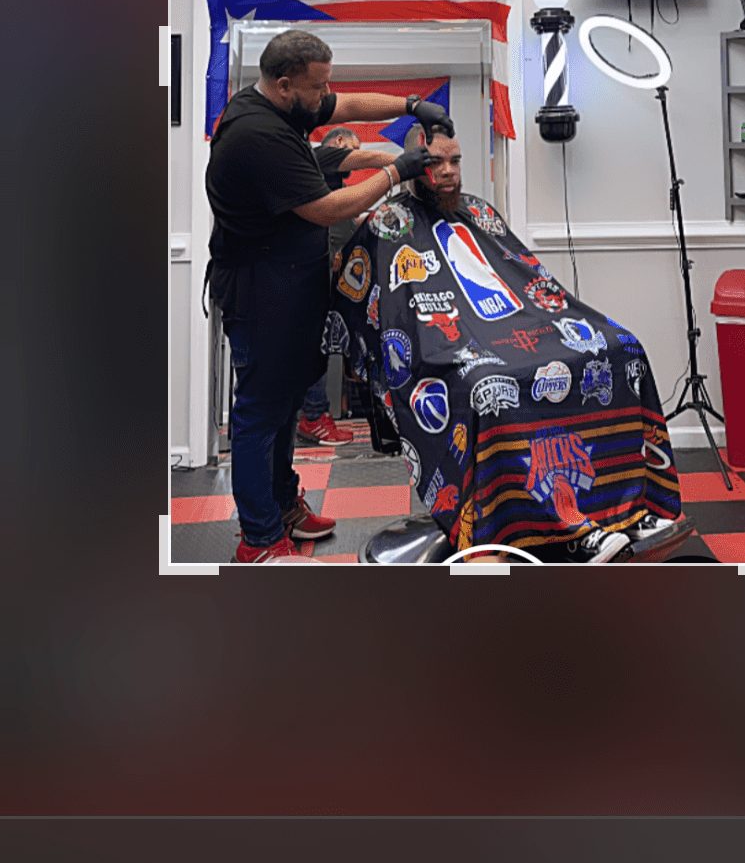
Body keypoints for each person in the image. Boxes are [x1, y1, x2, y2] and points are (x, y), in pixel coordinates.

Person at [334, 124, 690, 563]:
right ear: (411, 167)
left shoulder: (480, 212)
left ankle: (630, 508)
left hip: (516, 331)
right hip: (442, 350)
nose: (448, 171)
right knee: (490, 385)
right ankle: (555, 530)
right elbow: (379, 311)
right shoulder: (389, 224)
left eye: (455, 161)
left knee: (622, 348)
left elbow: (528, 279)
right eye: (434, 162)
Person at [205, 30, 451, 563]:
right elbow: (328, 209)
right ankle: (259, 539)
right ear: (285, 84)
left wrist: (412, 105)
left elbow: (350, 104)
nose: (325, 97)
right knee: (260, 411)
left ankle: (281, 506)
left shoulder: (283, 105)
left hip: (289, 284)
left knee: (286, 405)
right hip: (260, 290)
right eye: (317, 88)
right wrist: (396, 169)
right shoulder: (257, 134)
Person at [298, 126, 397, 446]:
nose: (353, 161)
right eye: (353, 149)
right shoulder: (314, 165)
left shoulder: (335, 188)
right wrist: (394, 165)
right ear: (339, 142)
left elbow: (344, 227)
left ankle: (313, 415)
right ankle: (314, 417)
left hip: (322, 284)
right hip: (301, 282)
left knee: (318, 348)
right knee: (311, 349)